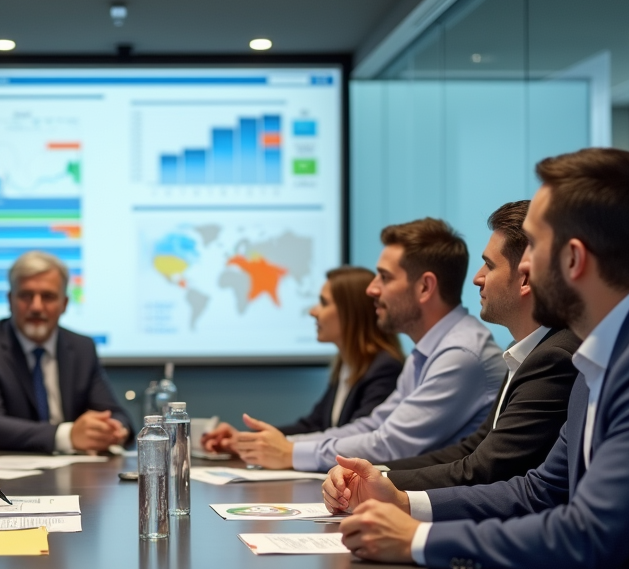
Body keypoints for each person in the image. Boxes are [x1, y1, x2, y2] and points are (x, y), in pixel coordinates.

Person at [325, 148, 629, 569]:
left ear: (573, 259)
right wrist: (403, 500)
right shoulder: (605, 350)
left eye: (535, 247)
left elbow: (589, 533)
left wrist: (419, 539)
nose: (523, 268)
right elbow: (540, 491)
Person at [221, 218, 506, 471]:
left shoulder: (460, 354)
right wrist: (278, 445)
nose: (371, 289)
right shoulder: (427, 351)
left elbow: (389, 445)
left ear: (424, 287)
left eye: (384, 277)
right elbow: (374, 424)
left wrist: (290, 452)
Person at [379, 201, 580, 489]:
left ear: (525, 278)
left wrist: (383, 483)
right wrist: (379, 473)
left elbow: (486, 469)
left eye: (489, 264)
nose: (477, 278)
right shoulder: (525, 349)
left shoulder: (554, 357)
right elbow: (473, 447)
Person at [202, 266, 404, 452]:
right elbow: (313, 425)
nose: (313, 311)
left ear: (351, 313)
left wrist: (273, 447)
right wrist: (246, 440)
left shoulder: (385, 369)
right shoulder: (348, 365)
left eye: (324, 303)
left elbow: (360, 437)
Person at [0, 250, 132, 453]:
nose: (36, 307)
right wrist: (68, 435)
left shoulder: (82, 348)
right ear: (10, 300)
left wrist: (113, 429)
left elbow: (115, 413)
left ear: (64, 304)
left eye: (48, 297)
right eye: (26, 296)